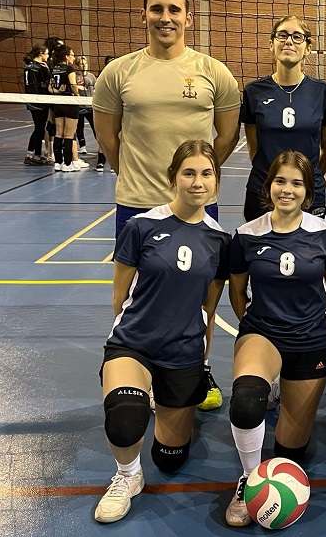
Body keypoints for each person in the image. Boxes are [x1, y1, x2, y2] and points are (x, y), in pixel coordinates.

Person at [93, 0, 240, 410]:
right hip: (138, 203)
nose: (165, 17)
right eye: (156, 9)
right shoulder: (118, 72)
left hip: (197, 206)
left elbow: (226, 136)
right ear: (143, 15)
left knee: (203, 298)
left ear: (188, 18)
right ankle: (135, 364)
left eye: (174, 10)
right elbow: (107, 136)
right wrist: (135, 176)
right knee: (133, 296)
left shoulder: (214, 72)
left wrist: (195, 181)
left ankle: (199, 365)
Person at [94, 140, 231, 523]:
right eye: (188, 173)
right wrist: (131, 336)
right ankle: (127, 475)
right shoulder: (141, 226)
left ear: (216, 180)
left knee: (170, 459)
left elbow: (209, 310)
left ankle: (161, 396)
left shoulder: (220, 241)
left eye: (206, 173)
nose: (197, 182)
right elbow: (120, 296)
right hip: (134, 343)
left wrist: (201, 362)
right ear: (173, 177)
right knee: (125, 420)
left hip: (183, 352)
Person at [224, 151, 326, 527]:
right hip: (263, 332)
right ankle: (248, 478)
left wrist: (308, 321)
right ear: (268, 185)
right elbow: (237, 293)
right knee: (245, 403)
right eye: (280, 181)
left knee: (291, 452)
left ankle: (282, 393)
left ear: (308, 192)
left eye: (297, 183)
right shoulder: (246, 235)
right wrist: (255, 326)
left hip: (310, 338)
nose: (287, 190)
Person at [240, 15, 326, 222]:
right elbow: (253, 147)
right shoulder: (254, 91)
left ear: (308, 48)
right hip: (263, 188)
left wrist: (307, 178)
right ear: (271, 44)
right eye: (282, 35)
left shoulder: (323, 92)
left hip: (308, 191)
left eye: (297, 36)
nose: (289, 41)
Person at [48, 44, 85, 172]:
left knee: (58, 133)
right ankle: (68, 164)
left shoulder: (53, 69)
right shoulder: (69, 69)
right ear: (66, 56)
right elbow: (73, 86)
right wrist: (78, 96)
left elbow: (50, 87)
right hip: (70, 103)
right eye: (72, 55)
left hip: (58, 103)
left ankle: (58, 162)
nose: (73, 58)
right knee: (69, 134)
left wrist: (58, 92)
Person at [74, 55, 107, 171]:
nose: (84, 65)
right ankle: (82, 146)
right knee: (79, 127)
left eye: (85, 63)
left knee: (96, 129)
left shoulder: (91, 76)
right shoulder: (74, 76)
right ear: (77, 65)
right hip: (79, 105)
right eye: (81, 63)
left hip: (90, 106)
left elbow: (97, 87)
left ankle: (102, 151)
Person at [22, 44, 50, 165]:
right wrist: (47, 70)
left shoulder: (28, 66)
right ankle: (35, 155)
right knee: (39, 129)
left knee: (38, 128)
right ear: (41, 54)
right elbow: (47, 83)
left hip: (31, 100)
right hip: (39, 101)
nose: (48, 56)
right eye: (47, 53)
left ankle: (32, 154)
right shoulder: (39, 68)